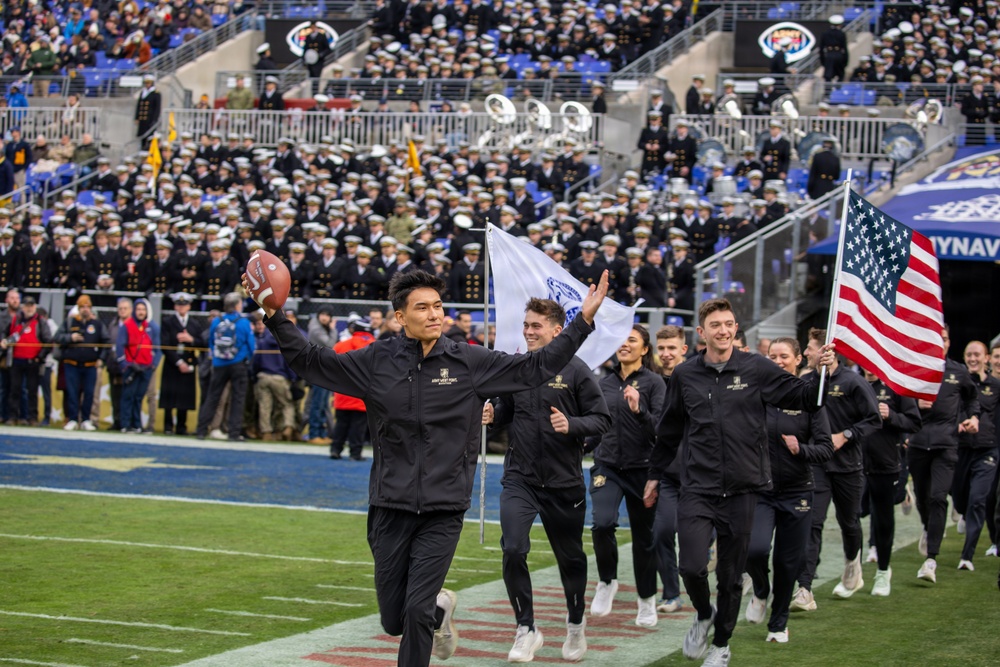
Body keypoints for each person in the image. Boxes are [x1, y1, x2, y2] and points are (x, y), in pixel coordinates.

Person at [250, 268, 609, 667]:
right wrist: (274, 314)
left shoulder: (469, 360)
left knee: (415, 612)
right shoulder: (375, 361)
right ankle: (441, 610)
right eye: (422, 307)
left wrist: (583, 322)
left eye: (438, 306)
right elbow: (310, 362)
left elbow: (535, 368)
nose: (435, 314)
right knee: (393, 619)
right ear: (400, 317)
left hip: (443, 509)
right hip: (389, 506)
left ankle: (429, 611)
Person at [644, 298, 836, 667]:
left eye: (729, 323)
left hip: (744, 489)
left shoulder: (757, 367)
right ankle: (703, 614)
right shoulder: (686, 375)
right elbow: (668, 432)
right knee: (692, 567)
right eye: (716, 324)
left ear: (735, 328)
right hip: (697, 486)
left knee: (731, 577)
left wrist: (818, 371)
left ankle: (721, 645)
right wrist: (655, 475)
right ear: (701, 333)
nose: (724, 330)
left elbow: (804, 398)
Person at [482, 298, 611, 662]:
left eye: (536, 325)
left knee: (570, 559)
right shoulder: (518, 366)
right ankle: (526, 628)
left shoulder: (577, 371)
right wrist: (494, 413)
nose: (528, 331)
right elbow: (509, 410)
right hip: (520, 479)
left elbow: (602, 420)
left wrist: (573, 426)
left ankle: (575, 623)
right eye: (526, 324)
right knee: (512, 548)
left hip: (563, 483)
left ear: (557, 330)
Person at [744, 337, 833, 643]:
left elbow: (826, 449)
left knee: (787, 562)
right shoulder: (756, 396)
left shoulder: (810, 400)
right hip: (761, 491)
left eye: (784, 356)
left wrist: (801, 450)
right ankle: (759, 589)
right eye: (772, 356)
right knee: (753, 550)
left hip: (798, 492)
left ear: (797, 360)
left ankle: (778, 623)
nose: (778, 361)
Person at [794, 328, 880, 607]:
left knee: (849, 522)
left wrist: (846, 435)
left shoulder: (853, 382)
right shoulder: (807, 381)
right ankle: (805, 588)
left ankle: (853, 564)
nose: (806, 352)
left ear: (826, 351)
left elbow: (874, 419)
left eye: (810, 347)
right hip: (815, 466)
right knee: (812, 523)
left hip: (847, 467)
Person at [587, 324, 664, 627]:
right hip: (606, 467)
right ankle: (607, 581)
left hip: (643, 471)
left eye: (632, 340)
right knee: (602, 523)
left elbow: (661, 431)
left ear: (645, 349)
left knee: (644, 539)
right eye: (621, 340)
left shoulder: (656, 383)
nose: (625, 344)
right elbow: (596, 426)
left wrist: (639, 410)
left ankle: (646, 600)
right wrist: (580, 442)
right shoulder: (602, 383)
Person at [909, 326, 979, 583]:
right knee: (922, 498)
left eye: (945, 338)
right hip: (917, 443)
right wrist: (915, 404)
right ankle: (929, 528)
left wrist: (973, 417)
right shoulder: (913, 367)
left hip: (946, 444)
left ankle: (930, 561)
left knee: (939, 497)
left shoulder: (958, 371)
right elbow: (899, 399)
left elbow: (973, 399)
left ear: (949, 343)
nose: (940, 341)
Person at [860, 365, 920, 595]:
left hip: (884, 465)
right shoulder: (853, 383)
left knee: (883, 519)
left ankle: (883, 572)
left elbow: (914, 422)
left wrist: (891, 415)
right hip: (853, 464)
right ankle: (851, 569)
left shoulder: (896, 385)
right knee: (854, 516)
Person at [952, 341, 999, 571]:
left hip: (987, 451)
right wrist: (958, 423)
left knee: (978, 500)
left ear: (986, 358)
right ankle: (960, 512)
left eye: (977, 355)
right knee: (960, 499)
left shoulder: (996, 387)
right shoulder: (956, 383)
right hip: (960, 449)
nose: (973, 358)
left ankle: (966, 556)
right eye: (969, 354)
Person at [653, 324, 688, 613]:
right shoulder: (651, 382)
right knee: (663, 531)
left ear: (683, 349)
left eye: (671, 348)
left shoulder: (696, 379)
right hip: (665, 473)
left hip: (700, 473)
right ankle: (671, 592)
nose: (666, 354)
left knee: (692, 538)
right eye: (662, 348)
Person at [196, 292, 255, 442]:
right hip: (238, 364)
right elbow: (251, 345)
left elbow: (211, 342)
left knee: (212, 397)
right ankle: (233, 433)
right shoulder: (243, 322)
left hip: (219, 364)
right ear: (237, 305)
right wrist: (246, 358)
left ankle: (201, 430)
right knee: (238, 399)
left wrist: (216, 357)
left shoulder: (216, 321)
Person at [56, 295, 109, 431]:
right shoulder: (70, 322)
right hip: (71, 363)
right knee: (72, 393)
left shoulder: (97, 324)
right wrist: (70, 337)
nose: (85, 309)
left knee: (89, 393)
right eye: (82, 307)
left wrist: (101, 358)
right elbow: (57, 337)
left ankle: (86, 419)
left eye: (87, 307)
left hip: (90, 365)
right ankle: (73, 419)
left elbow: (106, 342)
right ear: (78, 309)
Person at [329, 315, 377, 459]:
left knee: (341, 423)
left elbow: (331, 365)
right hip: (363, 393)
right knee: (359, 425)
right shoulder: (377, 347)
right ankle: (355, 452)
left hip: (343, 391)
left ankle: (335, 449)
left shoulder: (341, 345)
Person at [159, 293, 204, 435]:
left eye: (184, 305)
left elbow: (202, 343)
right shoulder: (168, 322)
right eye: (179, 305)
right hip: (173, 363)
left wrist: (190, 339)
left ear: (189, 306)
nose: (181, 307)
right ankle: (167, 426)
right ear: (175, 306)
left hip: (189, 362)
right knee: (169, 395)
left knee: (184, 396)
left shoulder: (194, 324)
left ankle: (181, 426)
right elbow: (164, 344)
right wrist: (178, 362)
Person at [2, 295, 51, 424]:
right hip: (16, 360)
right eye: (27, 306)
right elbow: (5, 333)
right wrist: (4, 342)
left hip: (32, 362)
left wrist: (39, 357)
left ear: (35, 307)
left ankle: (31, 417)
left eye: (32, 306)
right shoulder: (15, 320)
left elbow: (48, 342)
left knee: (32, 391)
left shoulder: (40, 321)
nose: (29, 308)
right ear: (22, 307)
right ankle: (13, 416)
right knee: (15, 389)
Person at [115, 298, 161, 433]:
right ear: (134, 311)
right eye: (139, 309)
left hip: (146, 367)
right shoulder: (127, 326)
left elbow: (157, 348)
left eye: (143, 309)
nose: (141, 312)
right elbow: (120, 346)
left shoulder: (151, 327)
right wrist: (125, 364)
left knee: (139, 396)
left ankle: (137, 424)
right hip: (131, 366)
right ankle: (125, 424)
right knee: (128, 395)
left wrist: (153, 365)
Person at [252, 312, 297, 441]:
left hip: (263, 376)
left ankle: (266, 432)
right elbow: (289, 363)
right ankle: (288, 426)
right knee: (286, 404)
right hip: (279, 378)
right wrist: (293, 378)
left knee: (265, 406)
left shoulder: (263, 341)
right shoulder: (284, 343)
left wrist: (254, 376)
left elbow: (256, 361)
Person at [306, 308, 338, 445]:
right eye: (323, 315)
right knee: (317, 403)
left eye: (327, 315)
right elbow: (330, 344)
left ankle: (321, 433)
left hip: (324, 369)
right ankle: (314, 434)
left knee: (323, 404)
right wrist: (333, 330)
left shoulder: (322, 328)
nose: (324, 318)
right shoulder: (315, 328)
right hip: (318, 370)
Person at [135, 74, 162, 145]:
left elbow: (157, 108)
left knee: (150, 137)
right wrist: (137, 117)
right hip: (142, 120)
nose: (147, 84)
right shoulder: (142, 93)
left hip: (150, 119)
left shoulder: (156, 93)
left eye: (149, 83)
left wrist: (155, 120)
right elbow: (139, 105)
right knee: (142, 137)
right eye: (146, 83)